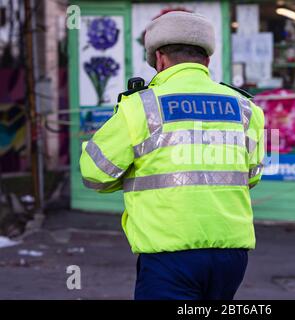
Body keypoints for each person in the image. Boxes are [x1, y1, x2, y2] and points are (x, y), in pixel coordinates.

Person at [79, 11, 265, 300]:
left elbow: (94, 173)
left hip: (170, 257)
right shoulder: (245, 108)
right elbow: (251, 176)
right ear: (207, 60)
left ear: (160, 58)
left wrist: (134, 171)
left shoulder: (141, 107)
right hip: (232, 257)